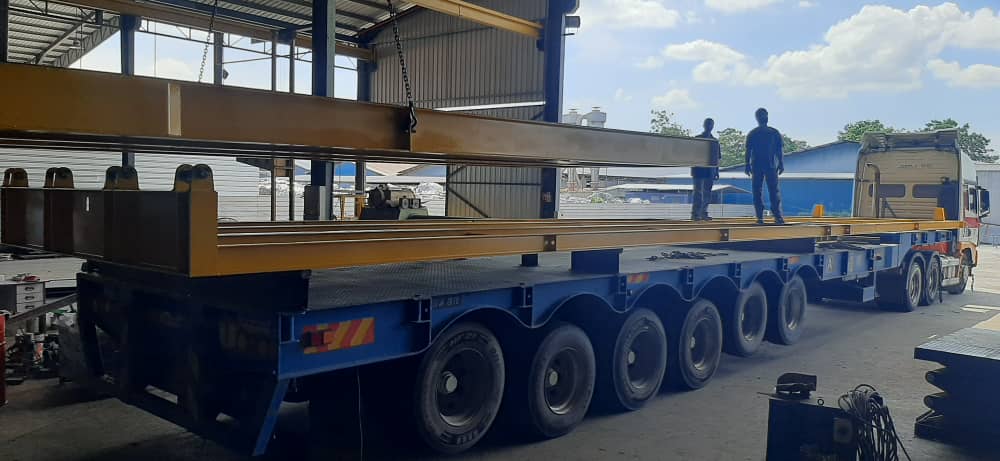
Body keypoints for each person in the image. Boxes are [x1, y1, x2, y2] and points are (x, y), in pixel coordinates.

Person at [745, 108, 785, 225]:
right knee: (757, 191)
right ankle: (759, 216)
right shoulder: (753, 133)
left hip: (770, 165)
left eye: (765, 115)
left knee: (773, 191)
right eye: (761, 115)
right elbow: (748, 150)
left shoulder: (774, 132)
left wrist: (781, 162)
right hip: (757, 165)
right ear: (757, 118)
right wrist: (747, 164)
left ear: (767, 116)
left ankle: (777, 215)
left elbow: (779, 149)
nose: (764, 117)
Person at [691, 118, 721, 221]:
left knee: (707, 192)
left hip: (710, 170)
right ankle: (696, 214)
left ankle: (703, 212)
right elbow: (692, 155)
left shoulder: (715, 141)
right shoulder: (697, 139)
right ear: (704, 125)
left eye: (711, 124)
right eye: (708, 124)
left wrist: (717, 171)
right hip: (699, 169)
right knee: (698, 192)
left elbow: (717, 158)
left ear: (713, 126)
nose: (709, 126)